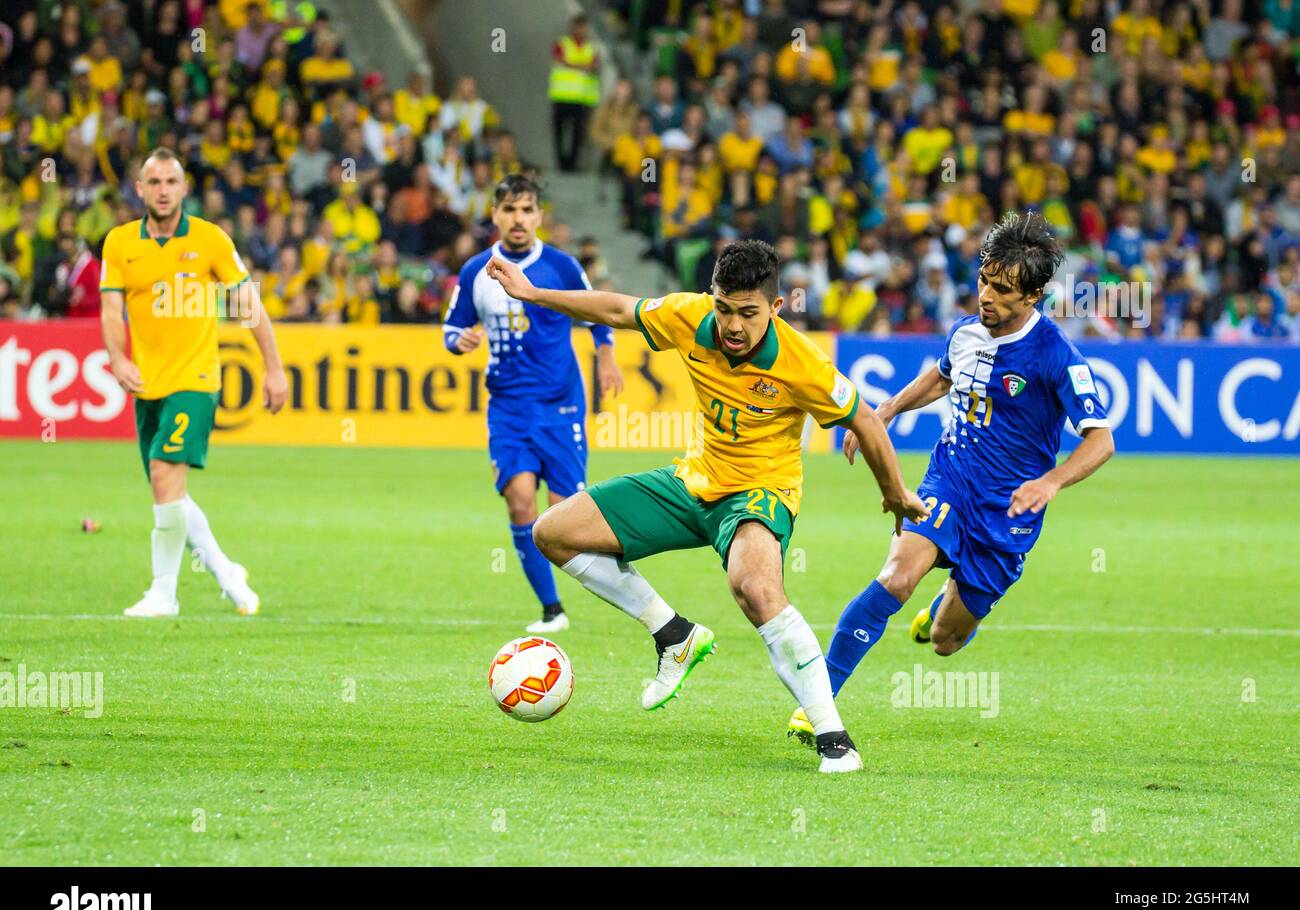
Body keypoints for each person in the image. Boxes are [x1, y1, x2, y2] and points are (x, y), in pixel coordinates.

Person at [488, 239, 929, 773]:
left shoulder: (802, 363)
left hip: (759, 494)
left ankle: (833, 735)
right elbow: (615, 309)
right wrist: (533, 293)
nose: (733, 325)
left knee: (756, 588)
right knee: (551, 531)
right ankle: (673, 634)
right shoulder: (690, 316)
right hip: (691, 483)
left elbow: (865, 420)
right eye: (724, 308)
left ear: (776, 307)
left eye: (748, 313)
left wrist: (894, 491)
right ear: (710, 297)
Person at [788, 212, 1115, 741]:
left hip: (1008, 513)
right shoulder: (966, 332)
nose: (986, 295)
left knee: (945, 640)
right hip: (950, 480)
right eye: (984, 280)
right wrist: (885, 411)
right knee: (896, 577)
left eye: (1002, 289)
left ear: (1030, 297)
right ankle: (819, 704)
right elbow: (942, 378)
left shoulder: (1058, 357)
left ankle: (944, 607)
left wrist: (1051, 481)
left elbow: (1102, 439)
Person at [99, 148, 289, 617]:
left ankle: (164, 593)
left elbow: (249, 306)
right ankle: (226, 571)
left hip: (196, 377)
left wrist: (274, 367)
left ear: (184, 189)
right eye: (154, 182)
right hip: (147, 383)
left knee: (165, 473)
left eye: (171, 182)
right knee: (169, 493)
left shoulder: (210, 240)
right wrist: (117, 358)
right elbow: (109, 308)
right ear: (139, 189)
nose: (163, 190)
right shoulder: (120, 243)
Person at [443, 175, 624, 633]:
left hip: (561, 406)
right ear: (495, 215)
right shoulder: (474, 272)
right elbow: (451, 326)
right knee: (521, 502)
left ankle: (621, 586)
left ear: (539, 216)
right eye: (509, 209)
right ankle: (552, 610)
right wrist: (458, 340)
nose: (518, 218)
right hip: (508, 408)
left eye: (526, 209)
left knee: (564, 521)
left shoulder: (561, 267)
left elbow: (599, 314)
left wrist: (607, 361)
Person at [548, 14, 600, 171]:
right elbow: (560, 60)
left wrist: (573, 65)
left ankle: (572, 164)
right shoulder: (562, 44)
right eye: (577, 26)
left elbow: (593, 66)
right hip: (561, 96)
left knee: (578, 135)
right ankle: (561, 163)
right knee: (559, 133)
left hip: (581, 99)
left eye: (583, 27)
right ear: (571, 27)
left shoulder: (591, 48)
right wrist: (582, 66)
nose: (580, 30)